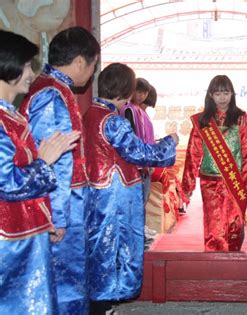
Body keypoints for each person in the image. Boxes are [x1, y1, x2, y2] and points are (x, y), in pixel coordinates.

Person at [83, 63, 177, 313]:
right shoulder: (112, 121)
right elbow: (139, 152)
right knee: (113, 248)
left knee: (98, 247)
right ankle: (103, 303)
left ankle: (100, 302)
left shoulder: (90, 113)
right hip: (114, 197)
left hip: (96, 192)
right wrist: (170, 142)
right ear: (126, 90)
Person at [19, 26, 100, 315]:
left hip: (64, 202)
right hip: (62, 206)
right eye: (92, 66)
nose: (91, 74)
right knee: (65, 283)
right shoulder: (53, 95)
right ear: (80, 62)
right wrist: (58, 216)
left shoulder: (51, 88)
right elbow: (54, 160)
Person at [0, 29, 81, 315]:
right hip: (10, 237)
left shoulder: (11, 116)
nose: (30, 72)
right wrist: (45, 162)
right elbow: (7, 183)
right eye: (25, 65)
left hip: (24, 230)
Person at [181, 75, 247, 252]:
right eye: (217, 93)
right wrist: (188, 184)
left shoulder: (242, 118)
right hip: (210, 182)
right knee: (214, 226)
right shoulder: (203, 121)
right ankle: (213, 264)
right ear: (210, 95)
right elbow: (193, 153)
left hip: (234, 180)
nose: (222, 98)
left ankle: (234, 260)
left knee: (235, 225)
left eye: (226, 93)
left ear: (232, 94)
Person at [119, 78, 154, 203]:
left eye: (144, 93)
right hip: (136, 164)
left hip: (145, 161)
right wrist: (141, 162)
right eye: (138, 92)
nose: (141, 96)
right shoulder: (129, 109)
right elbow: (131, 138)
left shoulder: (140, 110)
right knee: (137, 201)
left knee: (143, 200)